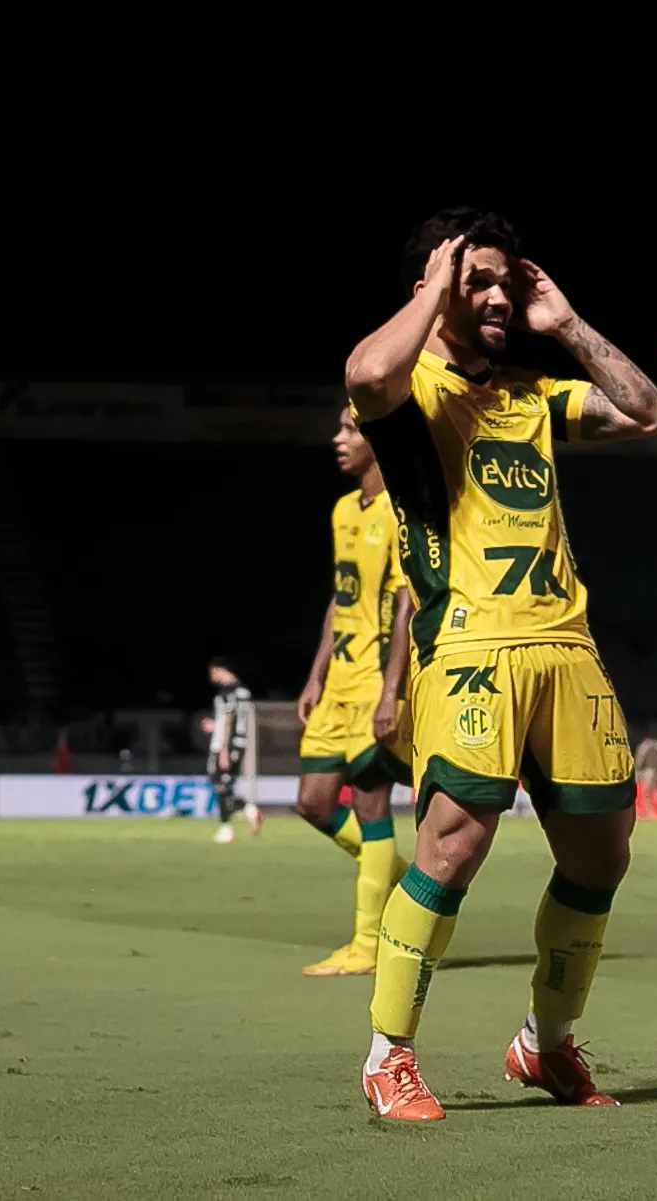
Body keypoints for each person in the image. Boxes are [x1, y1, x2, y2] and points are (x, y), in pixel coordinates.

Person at [345, 208, 657, 1120]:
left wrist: (565, 325)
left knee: (602, 854)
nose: (496, 297)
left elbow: (648, 409)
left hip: (567, 647)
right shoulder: (407, 396)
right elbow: (364, 371)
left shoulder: (532, 394)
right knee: (455, 844)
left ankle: (545, 1042)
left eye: (504, 280)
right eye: (474, 280)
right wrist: (433, 285)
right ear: (434, 286)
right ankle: (388, 1054)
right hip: (473, 649)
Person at [294, 406, 417, 976]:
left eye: (349, 430)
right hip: (339, 679)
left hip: (374, 679)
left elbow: (404, 603)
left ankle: (367, 945)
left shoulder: (400, 511)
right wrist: (317, 672)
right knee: (313, 803)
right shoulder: (345, 510)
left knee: (370, 801)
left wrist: (392, 691)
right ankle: (387, 867)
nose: (337, 439)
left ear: (376, 441)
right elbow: (340, 599)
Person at [205, 659, 260, 844]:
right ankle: (248, 810)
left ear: (222, 670)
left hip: (224, 744)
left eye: (213, 672)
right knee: (224, 784)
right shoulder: (244, 692)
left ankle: (226, 829)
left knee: (220, 784)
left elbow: (228, 720)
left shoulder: (227, 694)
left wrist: (223, 749)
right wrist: (215, 725)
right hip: (240, 743)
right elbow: (235, 720)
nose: (212, 677)